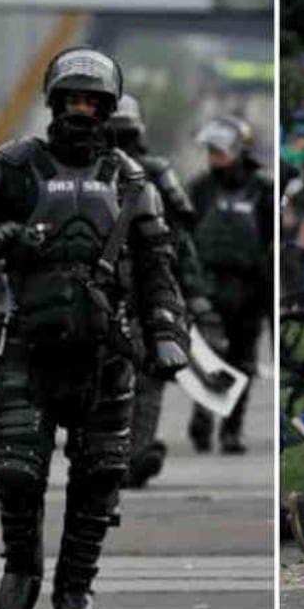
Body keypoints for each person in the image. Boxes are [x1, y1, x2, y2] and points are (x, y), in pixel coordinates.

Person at [0, 47, 188, 609]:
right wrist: (6, 235)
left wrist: (165, 333)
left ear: (105, 108)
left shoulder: (133, 181)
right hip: (28, 344)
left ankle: (76, 585)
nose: (81, 110)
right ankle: (20, 565)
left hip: (107, 350)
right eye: (72, 99)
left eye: (92, 101)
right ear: (55, 102)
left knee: (103, 473)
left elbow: (159, 269)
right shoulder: (12, 166)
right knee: (17, 471)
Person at [107, 93, 220, 485]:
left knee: (145, 371)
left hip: (139, 282)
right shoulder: (88, 170)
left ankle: (131, 454)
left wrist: (191, 293)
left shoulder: (149, 172)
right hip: (117, 284)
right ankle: (125, 452)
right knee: (134, 373)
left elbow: (179, 237)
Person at [186, 114, 272, 454]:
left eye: (219, 151)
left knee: (242, 364)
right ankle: (203, 416)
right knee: (206, 357)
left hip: (249, 290)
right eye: (210, 151)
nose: (214, 158)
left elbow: (271, 245)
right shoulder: (200, 188)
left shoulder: (263, 191)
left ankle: (232, 429)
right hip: (207, 287)